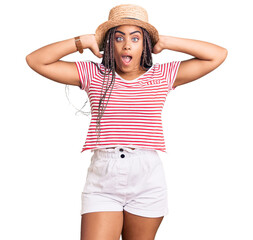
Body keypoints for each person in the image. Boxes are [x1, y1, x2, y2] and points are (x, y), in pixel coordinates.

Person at [25, 4, 227, 240]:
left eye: (136, 38)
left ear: (145, 45)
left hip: (147, 177)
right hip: (103, 178)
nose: (127, 45)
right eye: (118, 38)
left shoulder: (162, 76)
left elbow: (218, 54)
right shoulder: (94, 74)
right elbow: (36, 60)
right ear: (110, 44)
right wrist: (83, 40)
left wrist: (164, 41)